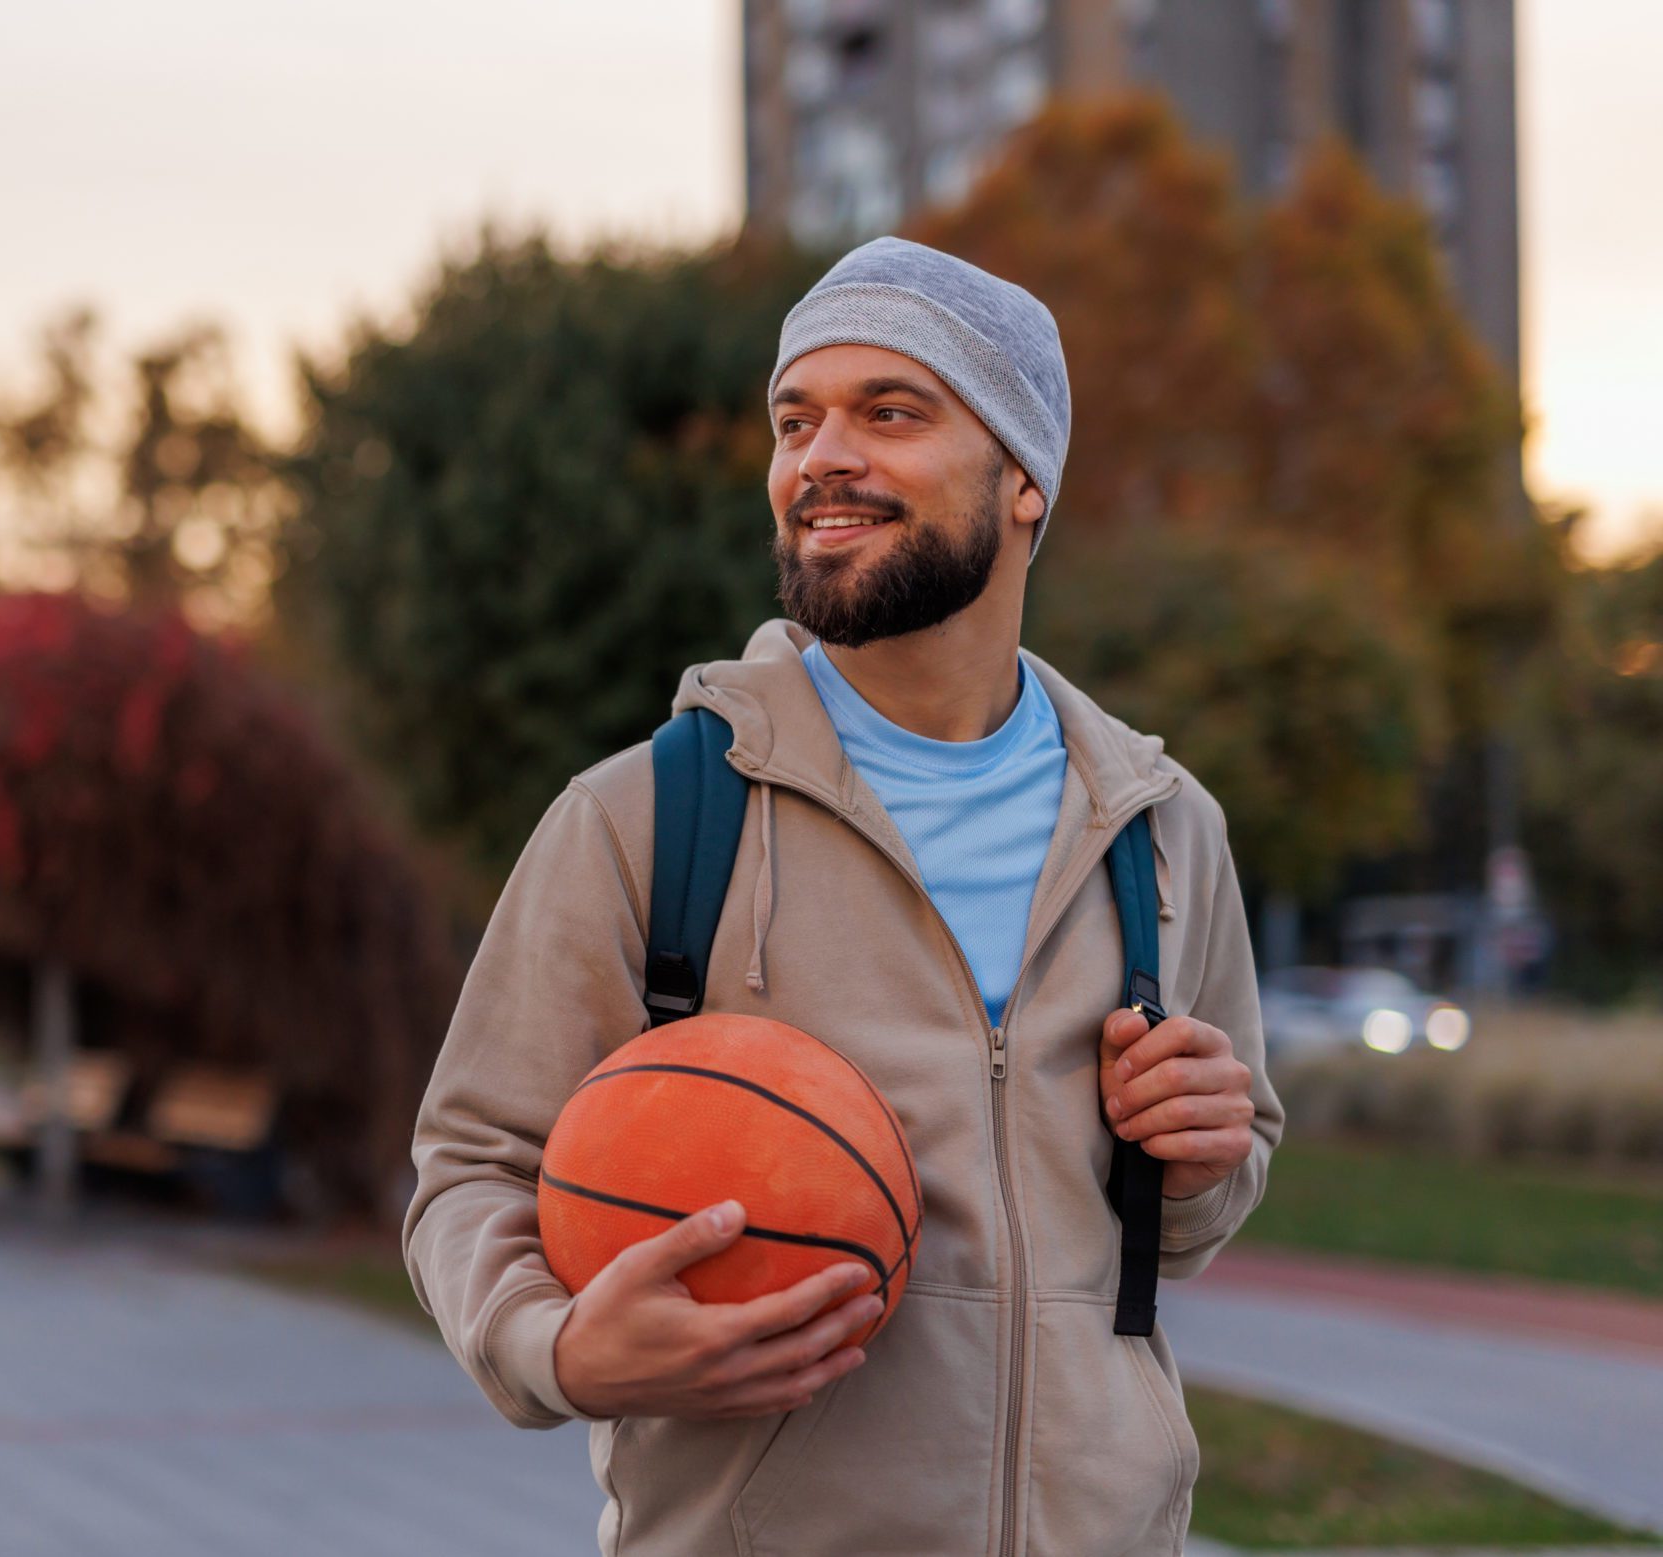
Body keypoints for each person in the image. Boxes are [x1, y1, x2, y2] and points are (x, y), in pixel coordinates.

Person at [401, 236, 1284, 1556]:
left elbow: (1189, 1210)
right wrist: (566, 1345)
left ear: (1025, 479)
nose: (821, 457)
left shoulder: (1157, 827)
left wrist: (1207, 1153)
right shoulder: (649, 815)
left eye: (891, 411)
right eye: (795, 419)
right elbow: (471, 1169)